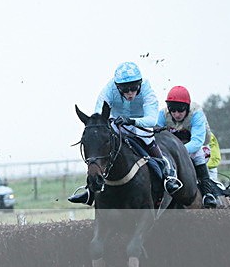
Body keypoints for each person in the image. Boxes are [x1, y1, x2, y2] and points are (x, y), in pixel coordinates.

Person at [69, 62, 181, 205]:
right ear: (117, 87)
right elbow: (98, 115)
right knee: (103, 142)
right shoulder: (109, 90)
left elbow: (152, 120)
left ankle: (168, 176)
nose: (130, 93)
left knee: (147, 140)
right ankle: (91, 190)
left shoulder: (147, 90)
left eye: (134, 88)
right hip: (116, 123)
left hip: (141, 123)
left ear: (139, 84)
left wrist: (131, 121)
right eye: (125, 89)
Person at [157, 85, 220, 208]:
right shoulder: (162, 114)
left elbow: (197, 142)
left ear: (187, 108)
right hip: (175, 146)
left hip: (199, 146)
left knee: (199, 155)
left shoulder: (196, 114)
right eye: (173, 111)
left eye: (180, 110)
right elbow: (156, 136)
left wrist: (177, 152)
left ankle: (208, 194)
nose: (176, 114)